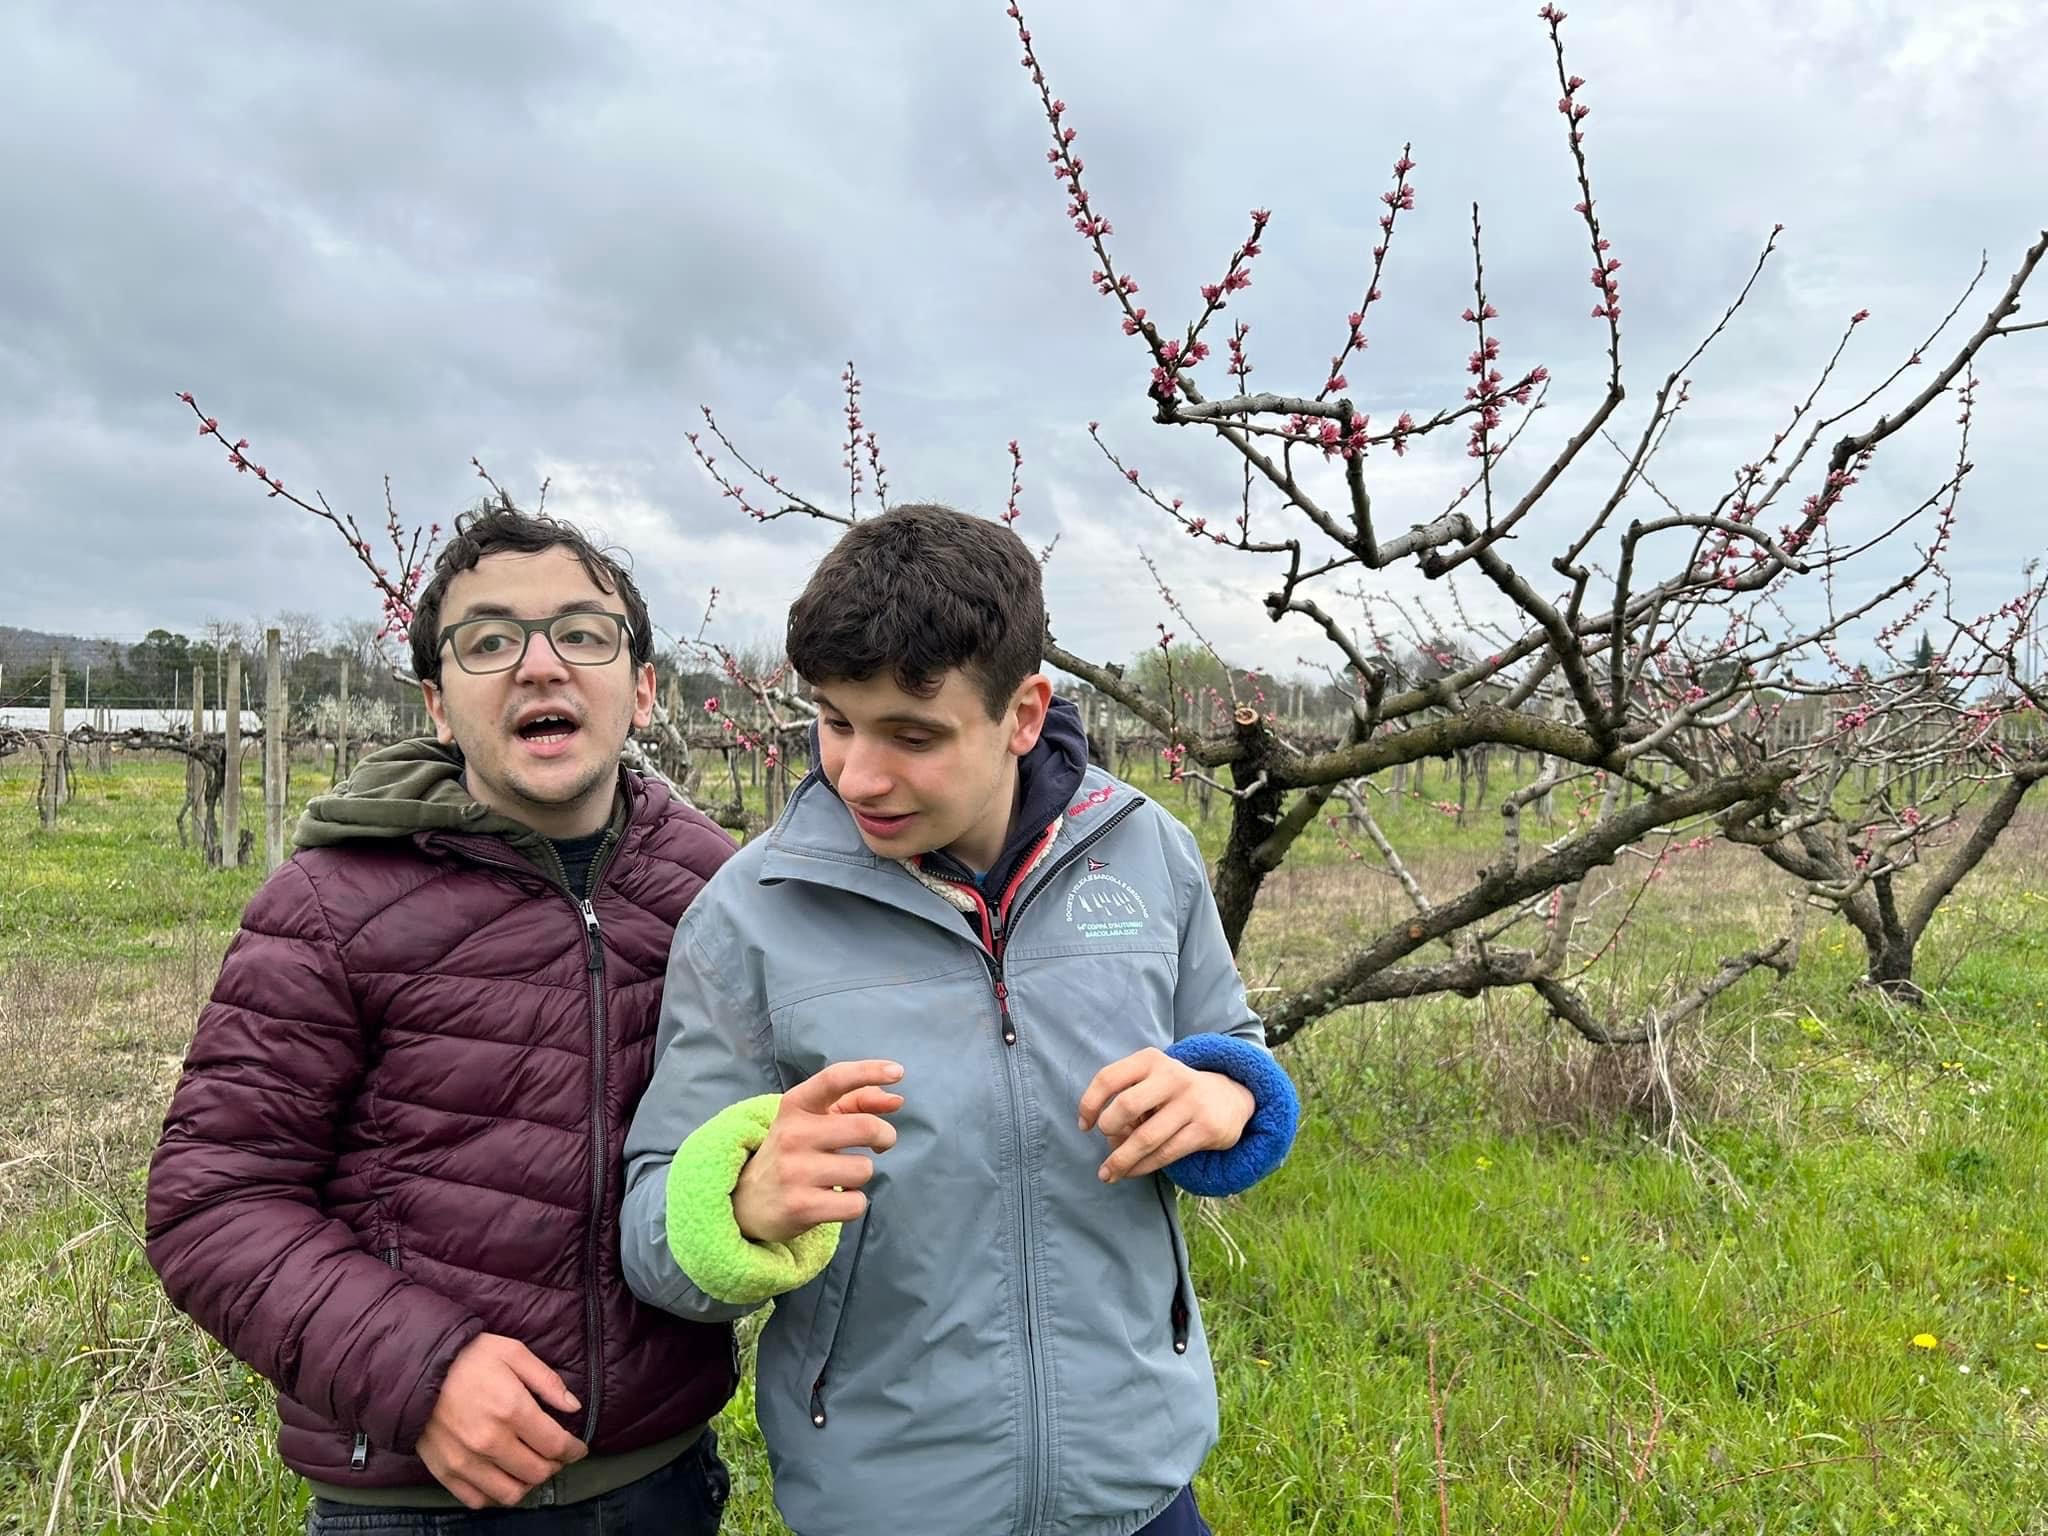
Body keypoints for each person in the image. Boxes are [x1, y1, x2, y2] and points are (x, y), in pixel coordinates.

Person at [620, 502, 1300, 1536]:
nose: (858, 773)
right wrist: (738, 1210)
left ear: (1023, 714)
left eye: (912, 735)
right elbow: (652, 1227)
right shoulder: (749, 916)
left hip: (1138, 1486)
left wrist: (1223, 1094)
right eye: (835, 721)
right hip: (885, 1502)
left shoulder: (1146, 853)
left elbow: (1233, 1053)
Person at [146, 503, 738, 1533]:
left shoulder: (719, 891)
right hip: (421, 1501)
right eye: (488, 640)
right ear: (435, 701)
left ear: (642, 690)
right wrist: (423, 1372)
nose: (540, 665)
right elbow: (214, 1203)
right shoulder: (330, 905)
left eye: (583, 634)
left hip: (663, 1480)